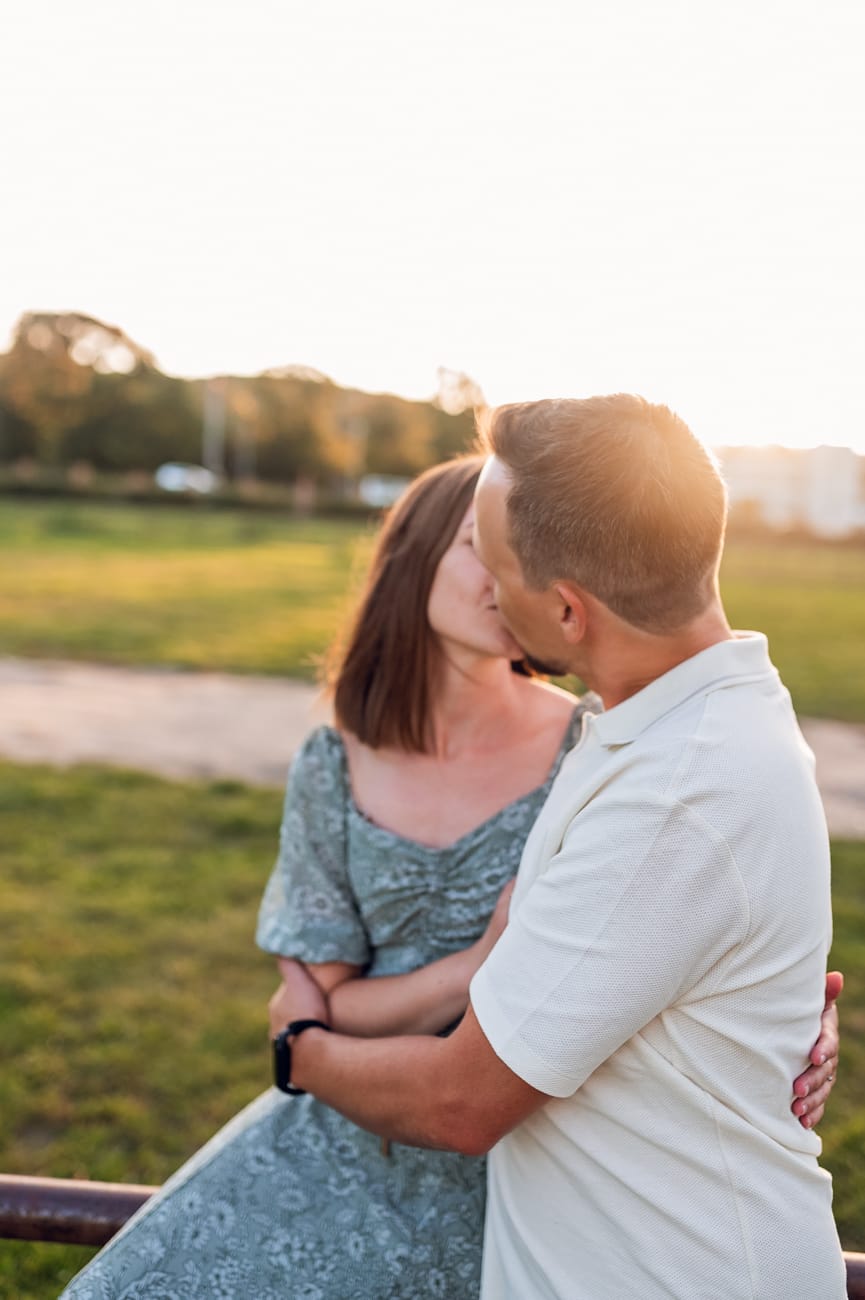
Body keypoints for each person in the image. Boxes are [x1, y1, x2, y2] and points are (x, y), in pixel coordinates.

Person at [61, 449, 839, 1300]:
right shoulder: (331, 761)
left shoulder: (600, 751)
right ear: (412, 559)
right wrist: (467, 972)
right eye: (480, 546)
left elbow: (667, 937)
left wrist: (774, 1029)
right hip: (357, 1129)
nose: (508, 577)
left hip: (527, 1155)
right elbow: (316, 1007)